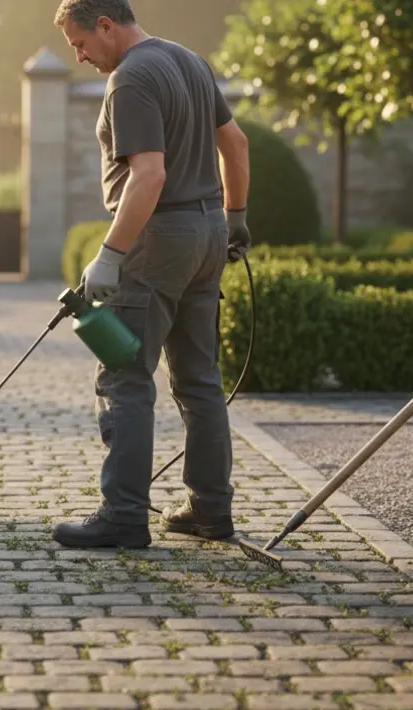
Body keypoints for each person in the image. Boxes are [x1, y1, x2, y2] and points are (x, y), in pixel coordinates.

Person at [49, 0, 252, 549]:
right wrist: (234, 220)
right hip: (207, 233)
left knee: (125, 375)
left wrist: (110, 255)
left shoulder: (130, 78)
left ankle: (123, 516)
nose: (81, 56)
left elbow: (149, 175)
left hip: (158, 239)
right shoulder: (189, 61)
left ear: (107, 26)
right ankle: (211, 511)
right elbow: (235, 144)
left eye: (81, 43)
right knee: (199, 379)